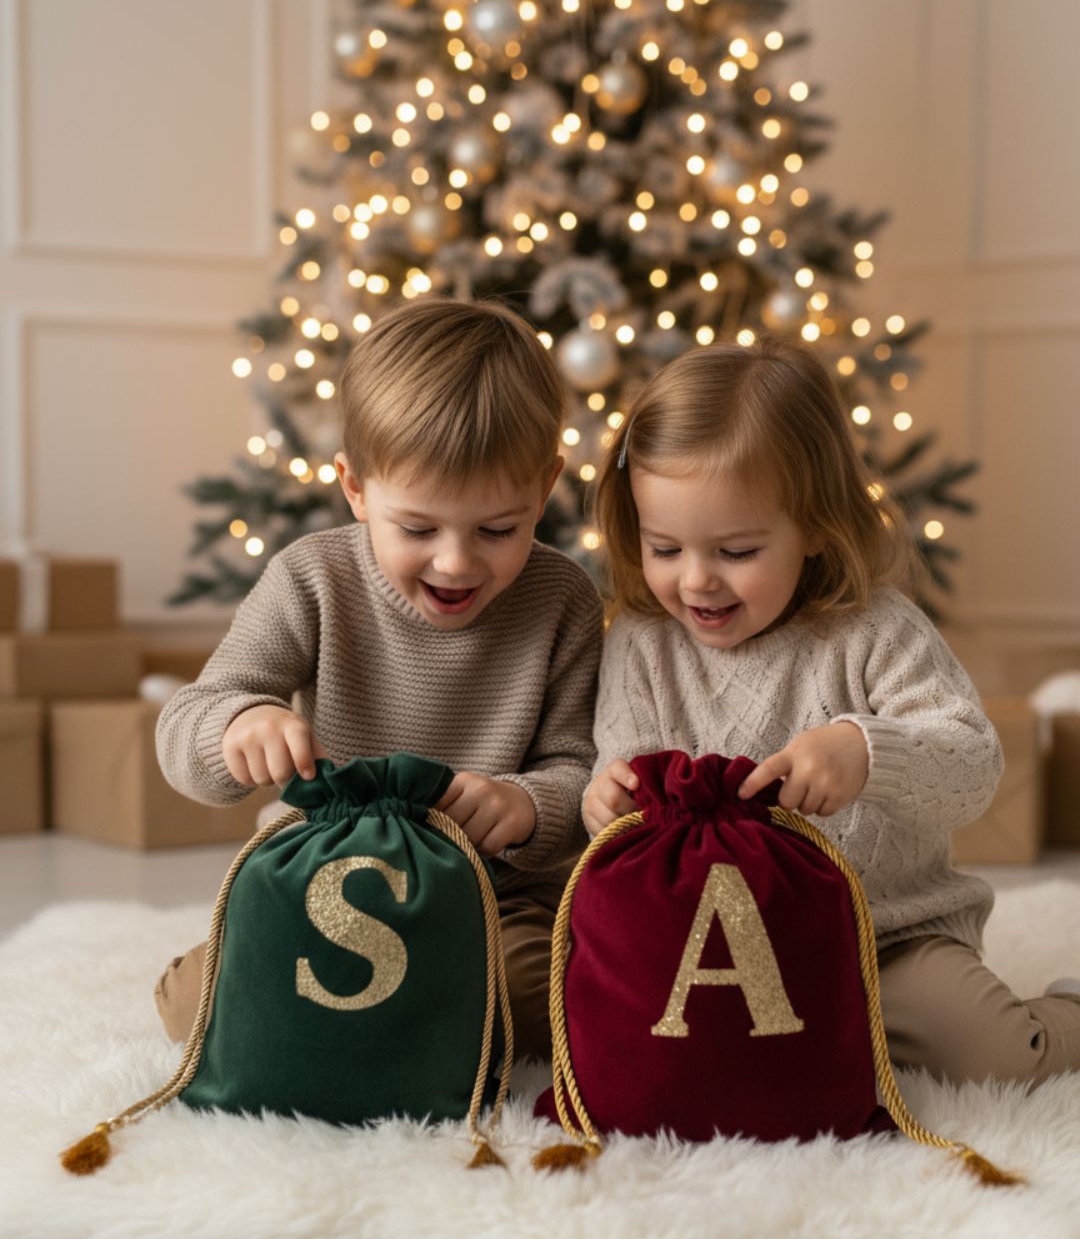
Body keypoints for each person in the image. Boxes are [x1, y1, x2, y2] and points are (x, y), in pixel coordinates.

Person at [583, 335, 1080, 1085]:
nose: (697, 582)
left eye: (738, 552)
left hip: (885, 938)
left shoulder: (874, 631)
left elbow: (976, 764)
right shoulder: (644, 643)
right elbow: (621, 779)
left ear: (814, 526)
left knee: (994, 1056)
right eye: (665, 548)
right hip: (717, 945)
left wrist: (866, 751)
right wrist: (606, 799)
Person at [155, 297, 603, 1062]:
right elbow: (187, 718)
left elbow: (580, 769)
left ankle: (388, 1014)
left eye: (499, 529)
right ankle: (405, 1011)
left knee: (551, 1002)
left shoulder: (562, 598)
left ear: (547, 486)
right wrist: (239, 727)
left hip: (492, 897)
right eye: (418, 528)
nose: (457, 562)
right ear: (356, 488)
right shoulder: (312, 578)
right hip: (327, 877)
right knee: (194, 1005)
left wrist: (524, 805)